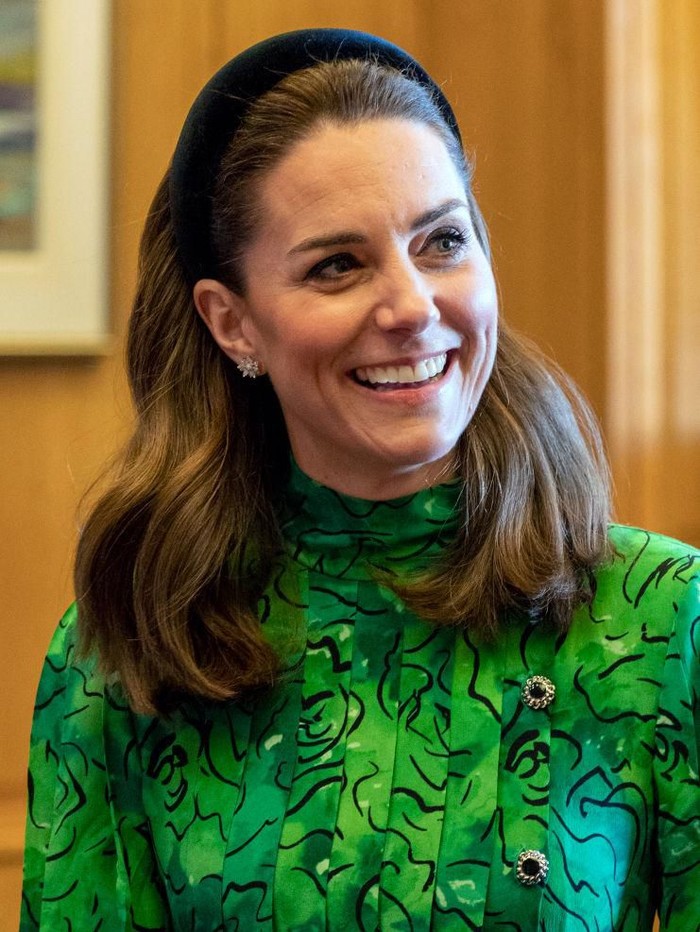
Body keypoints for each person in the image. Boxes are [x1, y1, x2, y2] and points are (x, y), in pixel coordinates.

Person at [21, 28, 698, 931]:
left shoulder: (661, 619)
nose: (413, 306)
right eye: (337, 265)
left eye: (442, 241)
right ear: (233, 324)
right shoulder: (131, 647)